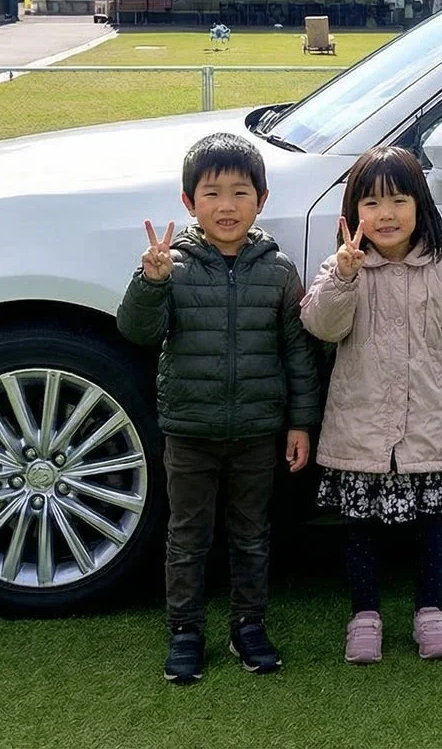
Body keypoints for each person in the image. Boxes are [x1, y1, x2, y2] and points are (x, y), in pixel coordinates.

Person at [116, 132, 320, 685]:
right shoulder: (173, 267)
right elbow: (135, 331)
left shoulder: (277, 270)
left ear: (262, 199)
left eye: (239, 192)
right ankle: (185, 632)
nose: (226, 206)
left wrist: (301, 423)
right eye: (211, 193)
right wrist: (150, 282)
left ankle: (248, 627)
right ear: (189, 203)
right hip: (189, 430)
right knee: (187, 535)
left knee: (252, 534)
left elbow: (297, 353)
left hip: (258, 430)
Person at [302, 146, 442, 664]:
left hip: (429, 428)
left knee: (430, 526)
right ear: (352, 214)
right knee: (361, 528)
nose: (385, 215)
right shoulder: (342, 269)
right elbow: (321, 325)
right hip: (359, 429)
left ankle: (430, 611)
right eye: (371, 203)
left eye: (398, 200)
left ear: (421, 207)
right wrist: (342, 275)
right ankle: (365, 616)